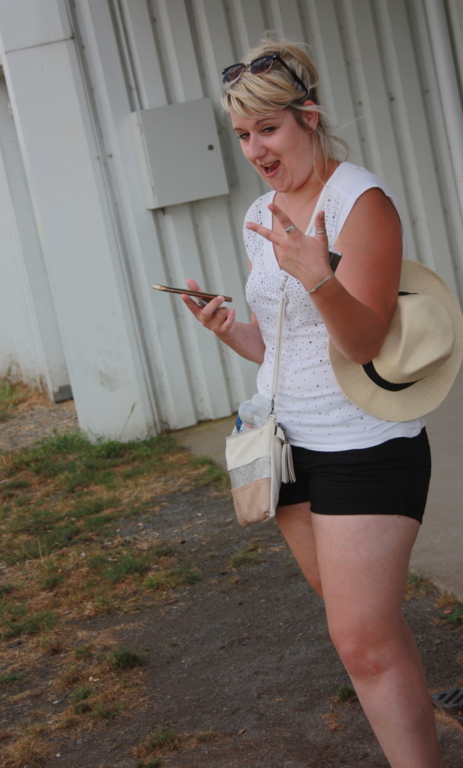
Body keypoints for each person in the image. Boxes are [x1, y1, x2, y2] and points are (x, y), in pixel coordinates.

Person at [181, 38, 443, 768]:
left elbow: (363, 343)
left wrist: (319, 275)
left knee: (361, 639)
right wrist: (230, 330)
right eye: (243, 135)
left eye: (268, 129)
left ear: (309, 117)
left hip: (365, 444)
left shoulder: (360, 203)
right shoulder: (260, 212)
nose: (255, 150)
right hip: (286, 443)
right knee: (365, 633)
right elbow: (284, 345)